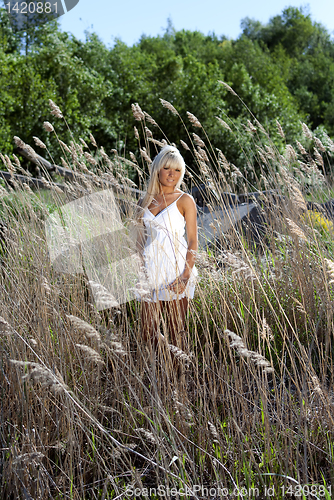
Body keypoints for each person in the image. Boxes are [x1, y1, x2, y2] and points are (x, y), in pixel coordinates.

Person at [136, 145, 198, 350]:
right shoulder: (144, 200)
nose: (172, 174)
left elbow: (192, 241)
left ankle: (179, 376)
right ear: (157, 169)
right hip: (150, 270)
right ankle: (161, 373)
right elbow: (138, 240)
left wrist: (185, 276)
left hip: (176, 269)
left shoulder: (185, 200)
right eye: (167, 168)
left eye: (177, 170)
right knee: (147, 332)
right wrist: (140, 269)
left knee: (176, 332)